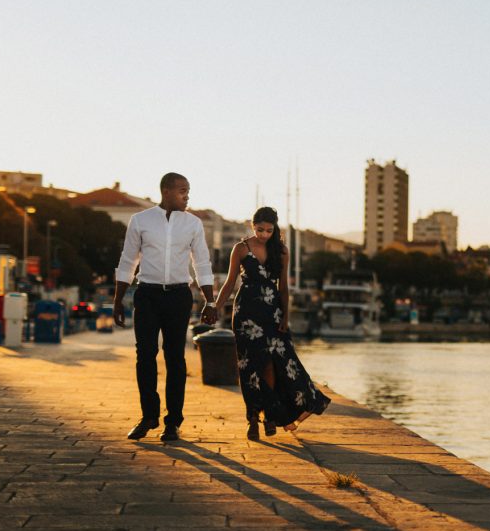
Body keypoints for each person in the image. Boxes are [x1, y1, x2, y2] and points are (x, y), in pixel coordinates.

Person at [113, 172, 217, 442]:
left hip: (179, 296)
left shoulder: (194, 224)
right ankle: (148, 417)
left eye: (188, 190)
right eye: (183, 190)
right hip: (146, 295)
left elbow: (202, 263)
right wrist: (117, 300)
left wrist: (210, 299)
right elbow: (128, 261)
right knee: (145, 356)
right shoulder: (140, 221)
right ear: (167, 191)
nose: (187, 195)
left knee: (175, 358)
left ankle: (173, 423)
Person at [213, 206, 329, 439]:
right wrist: (215, 307)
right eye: (259, 230)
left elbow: (283, 288)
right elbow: (229, 283)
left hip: (273, 314)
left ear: (275, 228)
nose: (264, 234)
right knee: (249, 366)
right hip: (246, 313)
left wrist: (286, 316)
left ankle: (271, 416)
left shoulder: (282, 251)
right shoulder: (241, 248)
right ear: (252, 225)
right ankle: (253, 419)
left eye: (268, 230)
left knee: (274, 362)